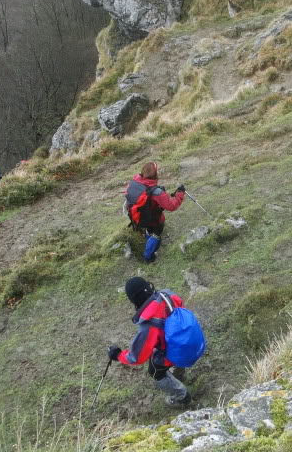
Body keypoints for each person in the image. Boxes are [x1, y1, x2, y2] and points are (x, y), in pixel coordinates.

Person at [107, 277, 191, 408]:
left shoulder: (149, 324)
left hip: (177, 349)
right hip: (189, 337)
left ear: (134, 300)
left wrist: (118, 355)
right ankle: (179, 372)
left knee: (155, 371)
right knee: (171, 345)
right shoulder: (168, 294)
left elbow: (137, 357)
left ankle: (182, 397)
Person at [124, 161, 185, 262]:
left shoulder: (134, 182)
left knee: (149, 231)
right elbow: (172, 206)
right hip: (154, 220)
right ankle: (148, 257)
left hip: (139, 216)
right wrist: (180, 193)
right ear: (155, 174)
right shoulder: (157, 192)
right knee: (155, 235)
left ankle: (147, 235)